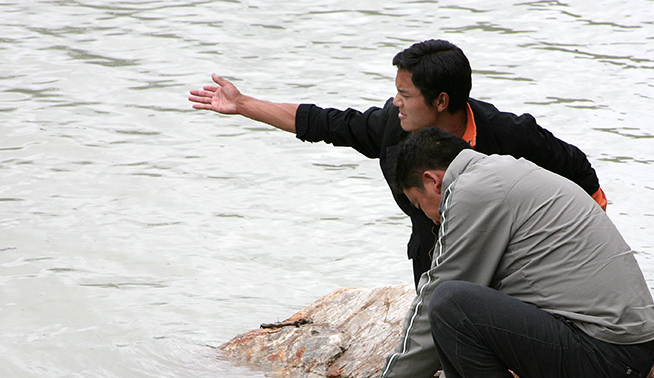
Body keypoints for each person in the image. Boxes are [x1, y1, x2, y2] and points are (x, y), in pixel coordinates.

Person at [188, 39, 607, 285]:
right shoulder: (394, 126)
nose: (395, 102)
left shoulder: (507, 134)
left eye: (405, 94)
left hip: (507, 251)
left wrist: (589, 245)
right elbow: (324, 122)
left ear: (441, 101)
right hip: (433, 254)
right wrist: (243, 104)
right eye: (396, 92)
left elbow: (578, 170)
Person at [361, 128, 654, 378]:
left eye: (420, 205)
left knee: (448, 300)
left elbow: (441, 295)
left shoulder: (472, 191)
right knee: (469, 297)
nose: (431, 218)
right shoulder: (504, 173)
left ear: (433, 181)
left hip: (605, 359)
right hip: (627, 353)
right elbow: (487, 302)